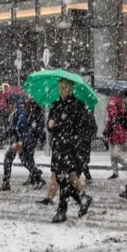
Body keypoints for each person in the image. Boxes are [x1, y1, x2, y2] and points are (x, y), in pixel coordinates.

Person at [47, 78, 93, 223]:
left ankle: (62, 210)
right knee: (62, 179)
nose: (62, 91)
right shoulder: (55, 105)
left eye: (65, 88)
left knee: (65, 178)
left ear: (71, 89)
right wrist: (50, 125)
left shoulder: (77, 105)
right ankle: (82, 199)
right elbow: (51, 125)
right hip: (58, 147)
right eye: (60, 88)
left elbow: (78, 128)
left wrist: (58, 124)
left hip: (71, 148)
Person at [0, 92, 41, 191]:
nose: (8, 106)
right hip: (20, 141)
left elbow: (22, 127)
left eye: (9, 104)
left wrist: (20, 143)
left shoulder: (20, 112)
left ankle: (6, 183)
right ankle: (37, 176)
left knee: (10, 159)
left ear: (14, 103)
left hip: (21, 141)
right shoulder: (15, 113)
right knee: (25, 161)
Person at [104, 96, 127, 180]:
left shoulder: (121, 110)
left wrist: (115, 115)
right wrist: (106, 130)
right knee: (112, 155)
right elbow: (109, 121)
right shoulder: (111, 109)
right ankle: (115, 172)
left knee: (115, 155)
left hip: (119, 134)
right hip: (111, 133)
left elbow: (119, 119)